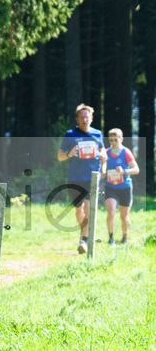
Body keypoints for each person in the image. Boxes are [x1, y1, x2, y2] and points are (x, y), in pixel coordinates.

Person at [56, 103, 107, 254]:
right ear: (77, 119)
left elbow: (103, 153)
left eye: (87, 117)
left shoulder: (97, 134)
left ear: (91, 118)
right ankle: (83, 233)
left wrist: (103, 162)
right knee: (79, 210)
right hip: (74, 177)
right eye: (82, 117)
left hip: (92, 176)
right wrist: (69, 154)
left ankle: (84, 239)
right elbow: (60, 156)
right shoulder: (70, 134)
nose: (85, 119)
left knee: (88, 208)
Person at [103, 127, 138, 244]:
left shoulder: (126, 152)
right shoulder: (107, 152)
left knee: (124, 216)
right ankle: (111, 238)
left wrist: (124, 171)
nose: (113, 143)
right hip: (111, 187)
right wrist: (102, 172)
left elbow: (136, 169)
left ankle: (125, 236)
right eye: (111, 140)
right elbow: (102, 166)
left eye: (115, 140)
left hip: (125, 187)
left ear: (121, 139)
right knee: (111, 212)